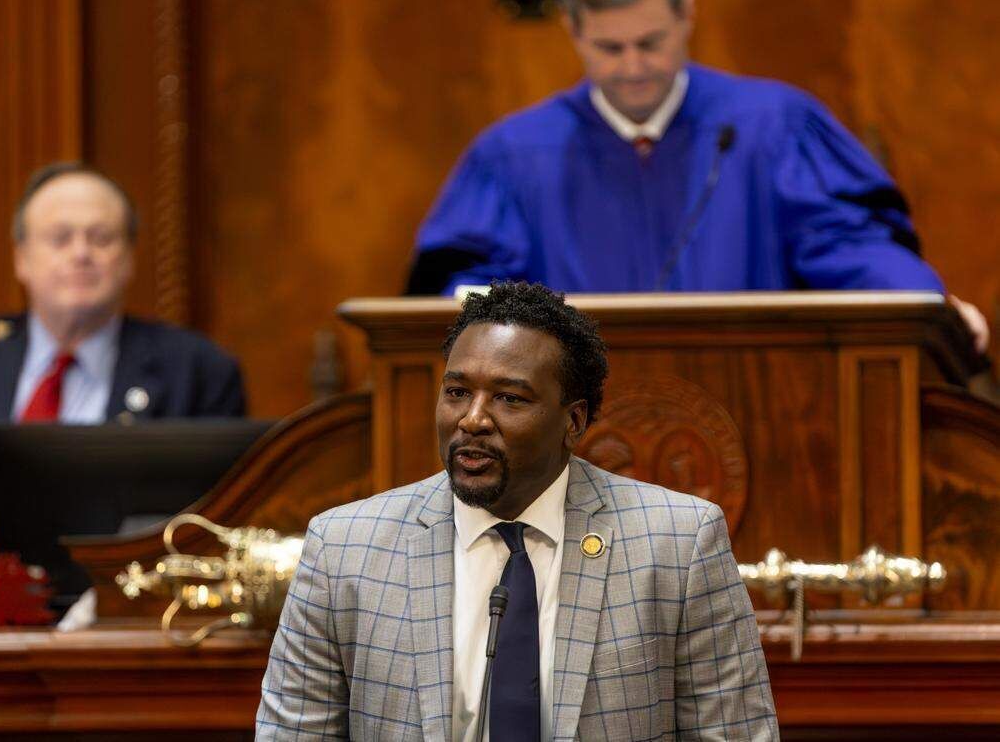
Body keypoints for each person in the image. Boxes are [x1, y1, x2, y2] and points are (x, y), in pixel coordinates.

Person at [257, 282, 776, 740]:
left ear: (573, 422)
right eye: (457, 392)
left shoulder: (678, 545)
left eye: (509, 398)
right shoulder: (343, 549)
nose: (473, 420)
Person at [409, 0, 990, 353]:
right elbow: (468, 286)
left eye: (651, 42)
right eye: (611, 49)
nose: (634, 66)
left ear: (687, 12)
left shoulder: (774, 125)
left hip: (765, 408)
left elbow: (848, 244)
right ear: (573, 29)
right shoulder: (513, 154)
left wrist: (924, 304)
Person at [0, 162, 246, 537]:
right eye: (59, 238)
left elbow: (215, 528)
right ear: (21, 258)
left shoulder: (198, 371)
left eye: (102, 238)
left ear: (130, 258)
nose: (81, 253)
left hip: (114, 590)